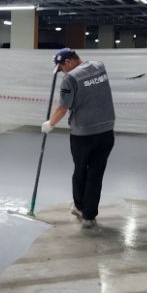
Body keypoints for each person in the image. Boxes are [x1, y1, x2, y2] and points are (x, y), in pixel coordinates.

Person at [41, 48, 115, 229]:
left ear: (68, 62)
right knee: (96, 174)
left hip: (83, 134)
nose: (62, 71)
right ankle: (90, 216)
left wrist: (50, 124)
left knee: (81, 171)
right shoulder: (99, 66)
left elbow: (63, 108)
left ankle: (80, 206)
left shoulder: (70, 79)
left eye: (61, 67)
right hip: (106, 132)